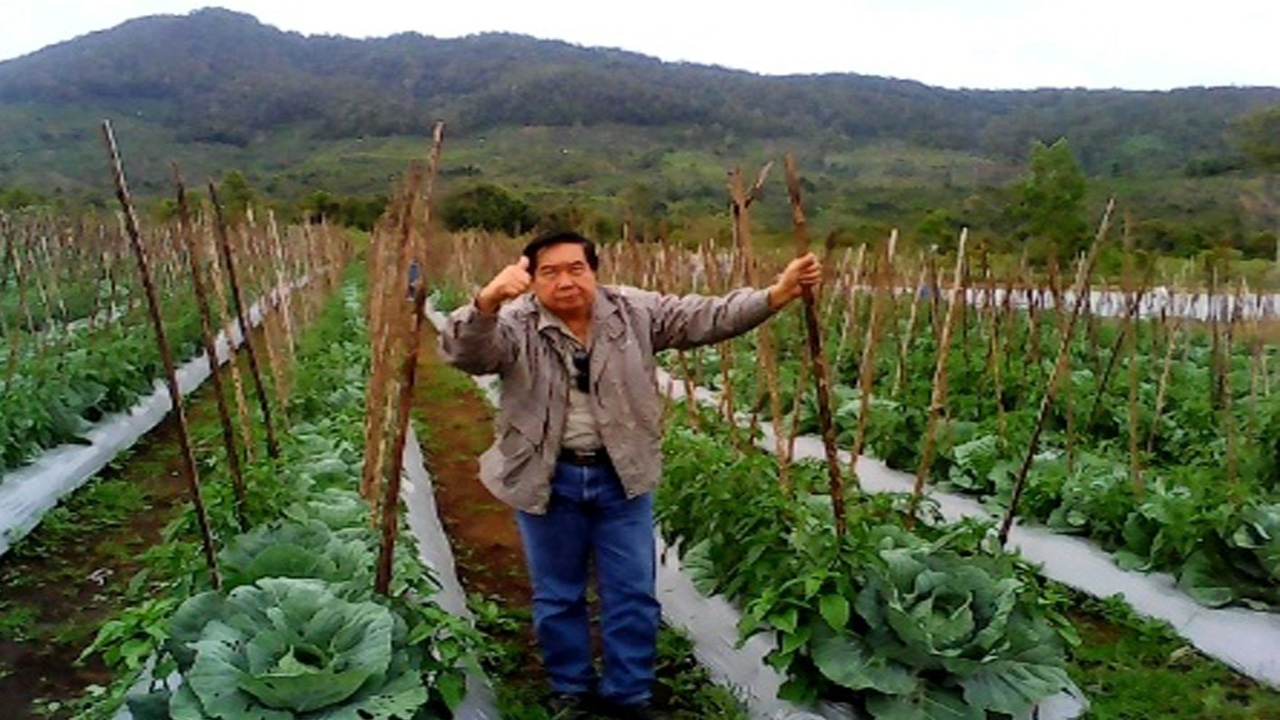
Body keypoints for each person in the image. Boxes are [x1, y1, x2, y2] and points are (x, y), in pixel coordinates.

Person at [439, 230, 821, 719]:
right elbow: (467, 355)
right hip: (545, 476)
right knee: (558, 593)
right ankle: (570, 690)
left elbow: (706, 316)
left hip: (622, 475)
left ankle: (629, 693)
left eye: (575, 268)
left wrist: (776, 295)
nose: (565, 281)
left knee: (632, 592)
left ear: (594, 272)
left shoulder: (633, 311)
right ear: (531, 280)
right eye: (549, 272)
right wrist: (487, 302)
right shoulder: (514, 323)